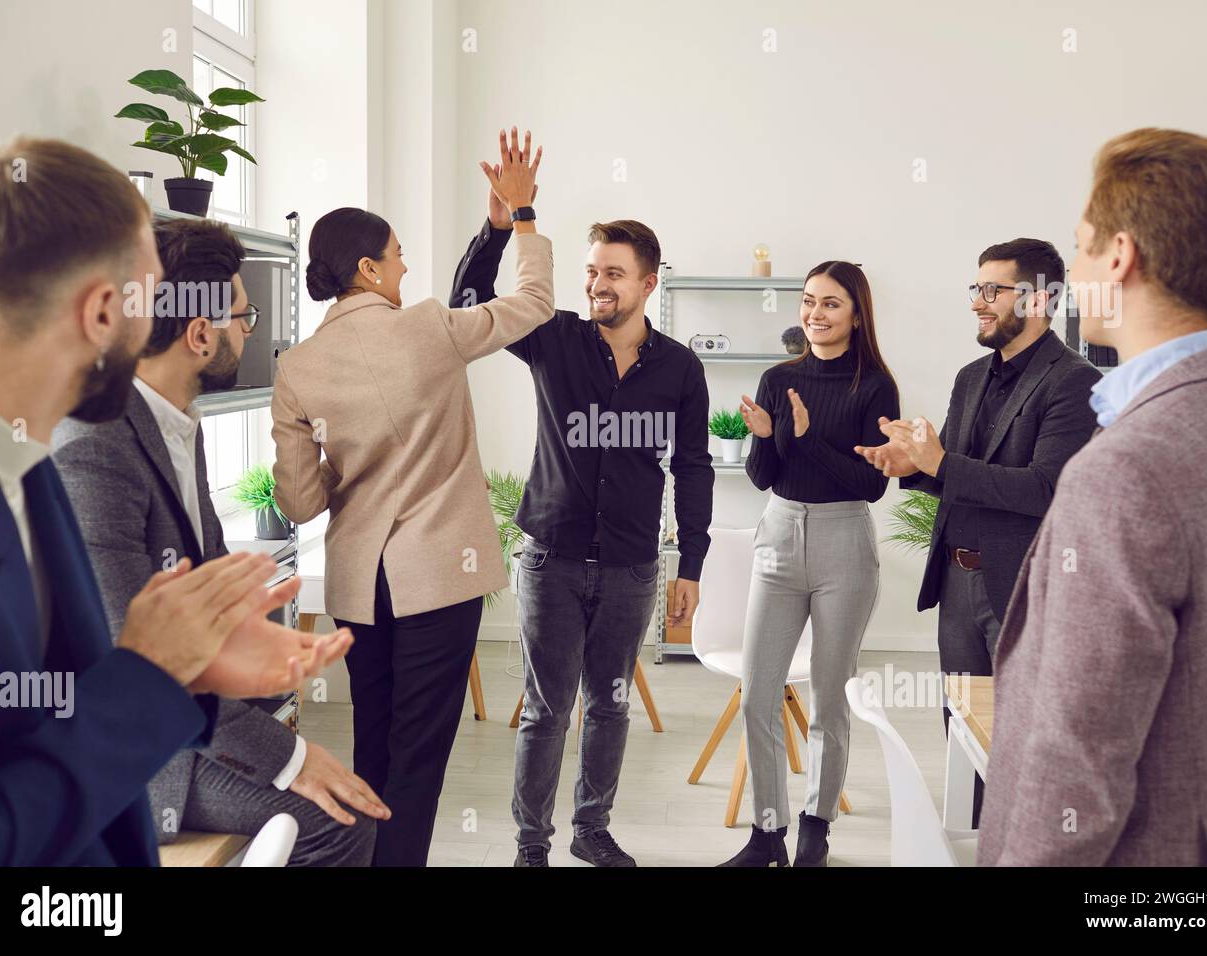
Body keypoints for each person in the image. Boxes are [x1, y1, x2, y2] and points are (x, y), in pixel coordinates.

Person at [0, 136, 350, 865]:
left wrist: (195, 667)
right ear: (103, 312)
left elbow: (62, 708)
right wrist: (152, 674)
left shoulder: (29, 468)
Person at [53, 217, 386, 865]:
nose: (250, 330)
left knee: (331, 775)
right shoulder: (94, 446)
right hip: (136, 744)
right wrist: (290, 759)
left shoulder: (176, 423)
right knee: (339, 824)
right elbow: (140, 658)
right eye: (245, 315)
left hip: (183, 717)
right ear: (200, 334)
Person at [979, 128, 1207, 865]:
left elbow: (1076, 760)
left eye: (1080, 248)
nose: (1073, 271)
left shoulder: (1128, 467)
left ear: (1119, 256)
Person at [271, 128, 552, 866]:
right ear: (368, 268)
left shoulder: (296, 368)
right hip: (437, 579)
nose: (405, 266)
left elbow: (299, 503)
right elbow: (535, 301)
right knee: (419, 759)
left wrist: (349, 464)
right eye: (396, 255)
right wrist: (521, 218)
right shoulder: (430, 328)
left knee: (372, 744)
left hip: (362, 588)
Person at [449, 182, 714, 870]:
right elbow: (469, 304)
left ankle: (591, 831)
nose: (598, 284)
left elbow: (693, 467)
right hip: (551, 559)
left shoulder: (680, 368)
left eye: (613, 274)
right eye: (592, 271)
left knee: (610, 706)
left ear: (648, 284)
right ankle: (530, 846)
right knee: (545, 710)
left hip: (632, 566)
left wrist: (692, 564)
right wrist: (498, 226)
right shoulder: (553, 336)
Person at [856, 238, 1101, 827]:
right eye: (977, 289)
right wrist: (912, 467)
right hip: (960, 585)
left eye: (992, 290)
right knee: (963, 736)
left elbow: (1044, 490)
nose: (978, 303)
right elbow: (960, 475)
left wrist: (939, 463)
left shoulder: (1074, 381)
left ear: (1039, 298)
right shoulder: (970, 377)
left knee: (1020, 742)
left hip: (1024, 589)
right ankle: (973, 841)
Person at [719, 262, 899, 867]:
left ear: (855, 314)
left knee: (828, 697)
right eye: (808, 302)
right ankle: (766, 832)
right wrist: (770, 437)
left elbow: (870, 485)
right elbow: (765, 475)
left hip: (843, 540)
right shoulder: (777, 377)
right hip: (778, 533)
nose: (815, 314)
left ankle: (815, 829)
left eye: (830, 304)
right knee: (757, 695)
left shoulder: (873, 386)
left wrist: (807, 434)